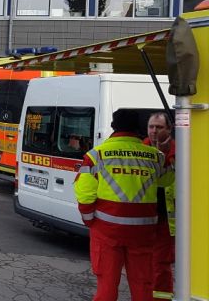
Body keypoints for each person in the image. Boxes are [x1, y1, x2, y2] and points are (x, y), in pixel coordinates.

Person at [74, 109, 173, 301]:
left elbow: (85, 195)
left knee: (107, 287)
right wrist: (166, 154)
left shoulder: (96, 155)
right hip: (143, 232)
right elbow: (167, 180)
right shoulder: (155, 156)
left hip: (107, 232)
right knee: (143, 285)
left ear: (114, 127)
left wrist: (90, 221)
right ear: (138, 129)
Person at [143, 112, 177, 300]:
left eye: (159, 127)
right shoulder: (141, 150)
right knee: (142, 264)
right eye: (151, 127)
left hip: (166, 220)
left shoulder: (180, 152)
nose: (154, 131)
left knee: (161, 265)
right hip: (142, 218)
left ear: (169, 130)